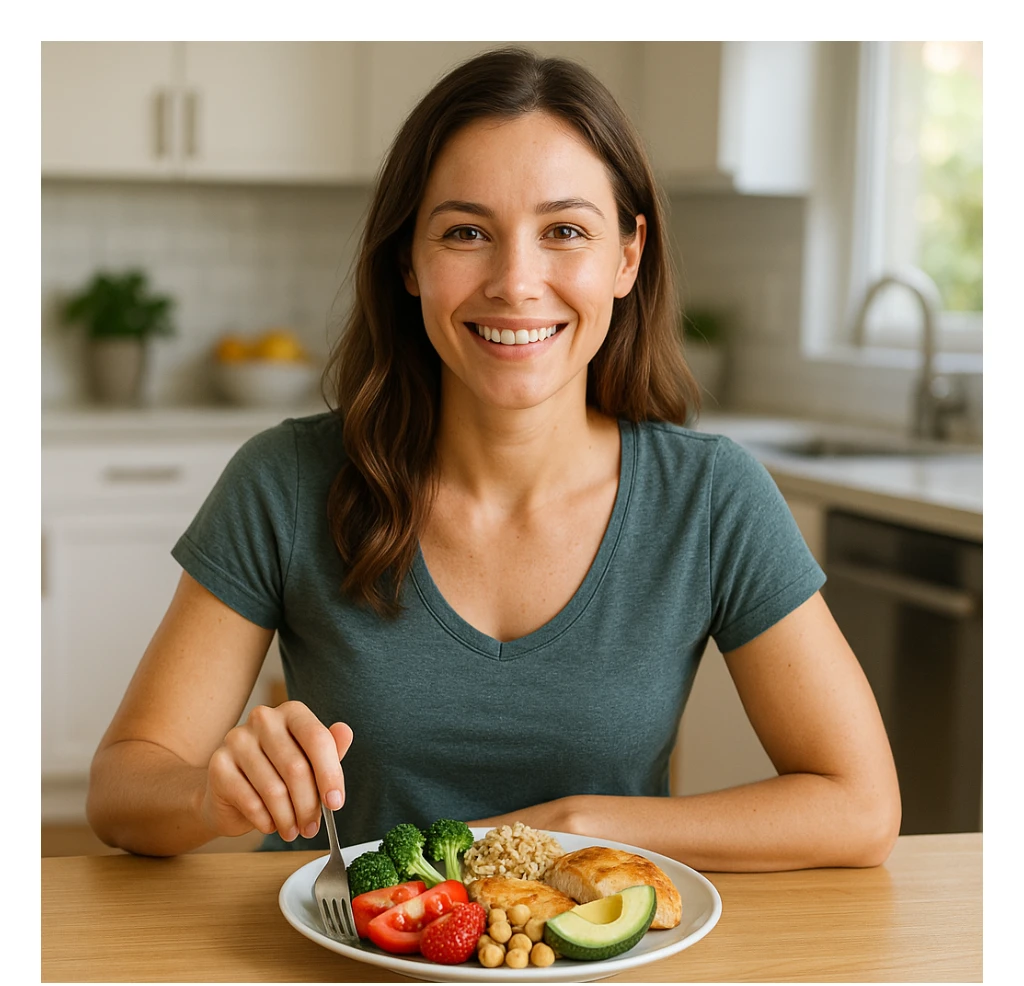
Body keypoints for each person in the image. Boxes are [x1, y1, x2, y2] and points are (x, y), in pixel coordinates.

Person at [86, 46, 901, 872]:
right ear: (408, 260)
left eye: (565, 232)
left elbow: (862, 808)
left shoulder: (711, 498)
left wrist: (573, 825)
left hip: (594, 949)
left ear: (627, 257)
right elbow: (122, 789)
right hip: (335, 942)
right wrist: (211, 796)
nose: (516, 282)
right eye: (466, 232)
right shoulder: (284, 481)